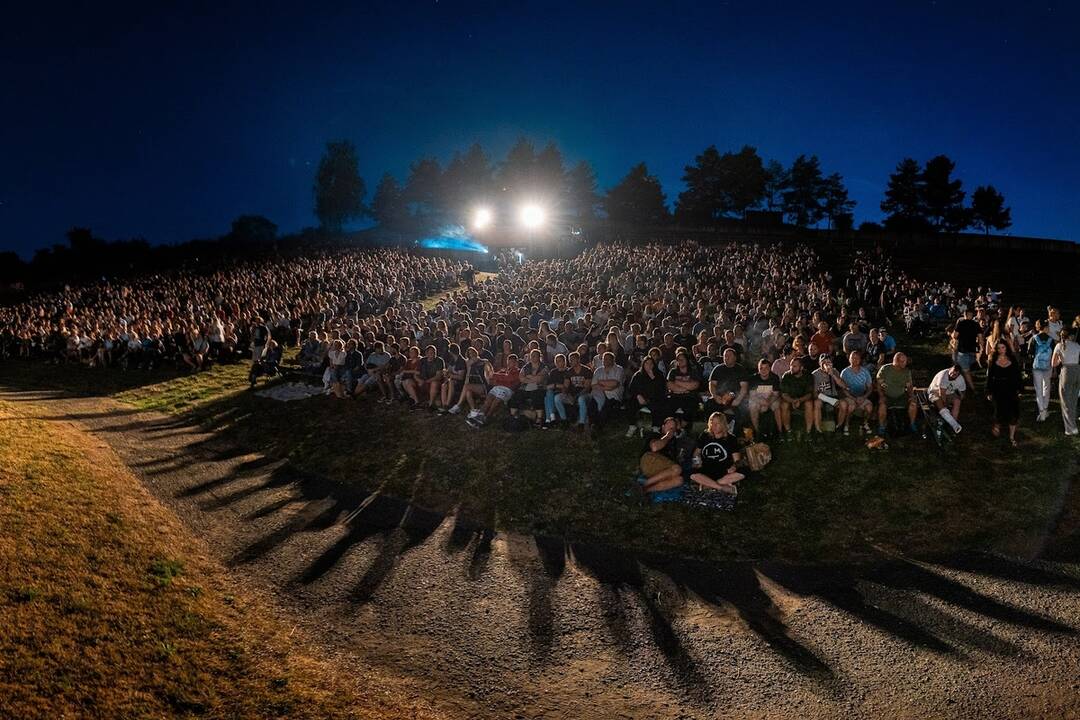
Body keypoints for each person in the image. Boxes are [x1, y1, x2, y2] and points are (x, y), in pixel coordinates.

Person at [691, 412, 745, 494]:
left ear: (723, 424)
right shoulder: (705, 435)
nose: (714, 426)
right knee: (693, 475)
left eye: (717, 423)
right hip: (706, 468)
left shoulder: (731, 439)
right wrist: (697, 462)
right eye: (712, 423)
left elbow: (737, 460)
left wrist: (734, 466)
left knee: (742, 473)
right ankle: (721, 487)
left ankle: (708, 486)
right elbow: (696, 453)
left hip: (724, 470)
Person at [986, 339, 1022, 446]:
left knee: (1013, 413)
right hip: (998, 389)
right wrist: (988, 391)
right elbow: (990, 378)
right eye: (999, 348)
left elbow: (1017, 376)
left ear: (1006, 347)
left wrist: (1019, 389)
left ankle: (1011, 437)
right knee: (998, 412)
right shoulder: (993, 361)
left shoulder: (1012, 359)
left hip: (1011, 389)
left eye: (1003, 347)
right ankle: (996, 429)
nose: (1001, 350)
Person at [639, 416, 688, 494]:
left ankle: (645, 490)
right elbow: (655, 447)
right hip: (649, 459)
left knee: (679, 480)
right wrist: (667, 436)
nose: (670, 429)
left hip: (661, 470)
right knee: (677, 469)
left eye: (673, 428)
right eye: (669, 426)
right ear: (663, 427)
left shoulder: (674, 443)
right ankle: (645, 484)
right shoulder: (655, 435)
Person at [875, 351, 918, 436]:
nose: (905, 363)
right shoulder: (885, 369)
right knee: (882, 406)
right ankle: (881, 426)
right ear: (896, 361)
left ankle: (912, 424)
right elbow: (878, 384)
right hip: (887, 395)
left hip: (901, 395)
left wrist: (911, 395)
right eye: (902, 361)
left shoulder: (906, 371)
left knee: (913, 404)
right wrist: (881, 396)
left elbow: (909, 386)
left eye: (905, 361)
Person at [626, 354, 667, 437]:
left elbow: (661, 390)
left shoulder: (658, 375)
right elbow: (631, 388)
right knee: (630, 403)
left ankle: (656, 427)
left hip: (654, 399)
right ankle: (632, 426)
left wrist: (653, 378)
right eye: (646, 363)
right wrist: (638, 395)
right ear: (643, 364)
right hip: (640, 398)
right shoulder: (638, 375)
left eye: (651, 364)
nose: (649, 366)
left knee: (658, 405)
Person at [1052, 327, 1080, 436]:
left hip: (1067, 371)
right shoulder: (1077, 345)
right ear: (1070, 336)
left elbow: (1053, 364)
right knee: (1073, 400)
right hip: (1077, 371)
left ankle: (1070, 428)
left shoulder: (1059, 346)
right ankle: (1072, 425)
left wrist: (1060, 359)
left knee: (1065, 401)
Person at [779, 356, 814, 440]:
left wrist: (799, 400)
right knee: (784, 405)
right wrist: (793, 401)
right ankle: (788, 431)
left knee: (809, 404)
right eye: (791, 365)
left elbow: (809, 394)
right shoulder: (786, 376)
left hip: (803, 399)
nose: (792, 368)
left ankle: (808, 432)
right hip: (790, 400)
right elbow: (784, 394)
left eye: (795, 366)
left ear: (801, 367)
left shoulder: (808, 376)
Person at [811, 354, 848, 434]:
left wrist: (832, 375)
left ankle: (839, 427)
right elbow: (814, 393)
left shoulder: (834, 371)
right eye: (824, 362)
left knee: (844, 404)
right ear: (820, 363)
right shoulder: (815, 374)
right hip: (822, 397)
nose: (826, 364)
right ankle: (818, 430)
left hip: (833, 395)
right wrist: (830, 400)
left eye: (828, 362)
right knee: (817, 403)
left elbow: (844, 386)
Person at [839, 350, 874, 435]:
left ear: (860, 359)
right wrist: (853, 398)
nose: (855, 360)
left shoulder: (865, 371)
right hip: (849, 396)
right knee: (851, 406)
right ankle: (846, 425)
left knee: (869, 407)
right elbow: (843, 389)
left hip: (862, 396)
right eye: (852, 358)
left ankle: (865, 423)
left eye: (857, 358)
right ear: (849, 359)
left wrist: (864, 397)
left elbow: (870, 388)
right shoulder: (845, 372)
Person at [1028, 319, 1056, 422]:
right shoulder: (1051, 340)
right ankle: (1045, 409)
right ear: (1045, 328)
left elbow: (1030, 353)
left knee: (1038, 389)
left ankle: (1041, 411)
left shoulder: (1033, 339)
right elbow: (1053, 355)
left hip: (1037, 367)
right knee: (1046, 388)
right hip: (1048, 366)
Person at [746, 358, 782, 437]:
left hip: (771, 399)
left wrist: (768, 402)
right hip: (758, 400)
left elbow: (776, 394)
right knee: (753, 406)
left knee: (777, 406)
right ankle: (757, 432)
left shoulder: (774, 378)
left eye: (766, 368)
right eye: (761, 368)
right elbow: (752, 396)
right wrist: (763, 402)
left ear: (770, 369)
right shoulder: (753, 379)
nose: (763, 370)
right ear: (758, 369)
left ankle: (780, 431)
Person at [928, 364, 966, 433]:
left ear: (958, 375)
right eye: (951, 373)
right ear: (949, 369)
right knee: (939, 402)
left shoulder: (960, 379)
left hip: (949, 393)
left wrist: (960, 397)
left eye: (955, 375)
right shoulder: (943, 375)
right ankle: (954, 424)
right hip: (935, 391)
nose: (951, 375)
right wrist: (945, 405)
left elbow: (962, 392)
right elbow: (942, 393)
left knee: (957, 401)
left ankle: (952, 423)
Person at [951, 307, 982, 393]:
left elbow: (955, 336)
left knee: (966, 371)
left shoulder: (961, 323)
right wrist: (980, 349)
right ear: (972, 315)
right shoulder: (976, 324)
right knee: (965, 368)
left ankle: (973, 389)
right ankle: (963, 383)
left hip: (963, 351)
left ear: (964, 315)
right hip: (973, 351)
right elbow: (980, 338)